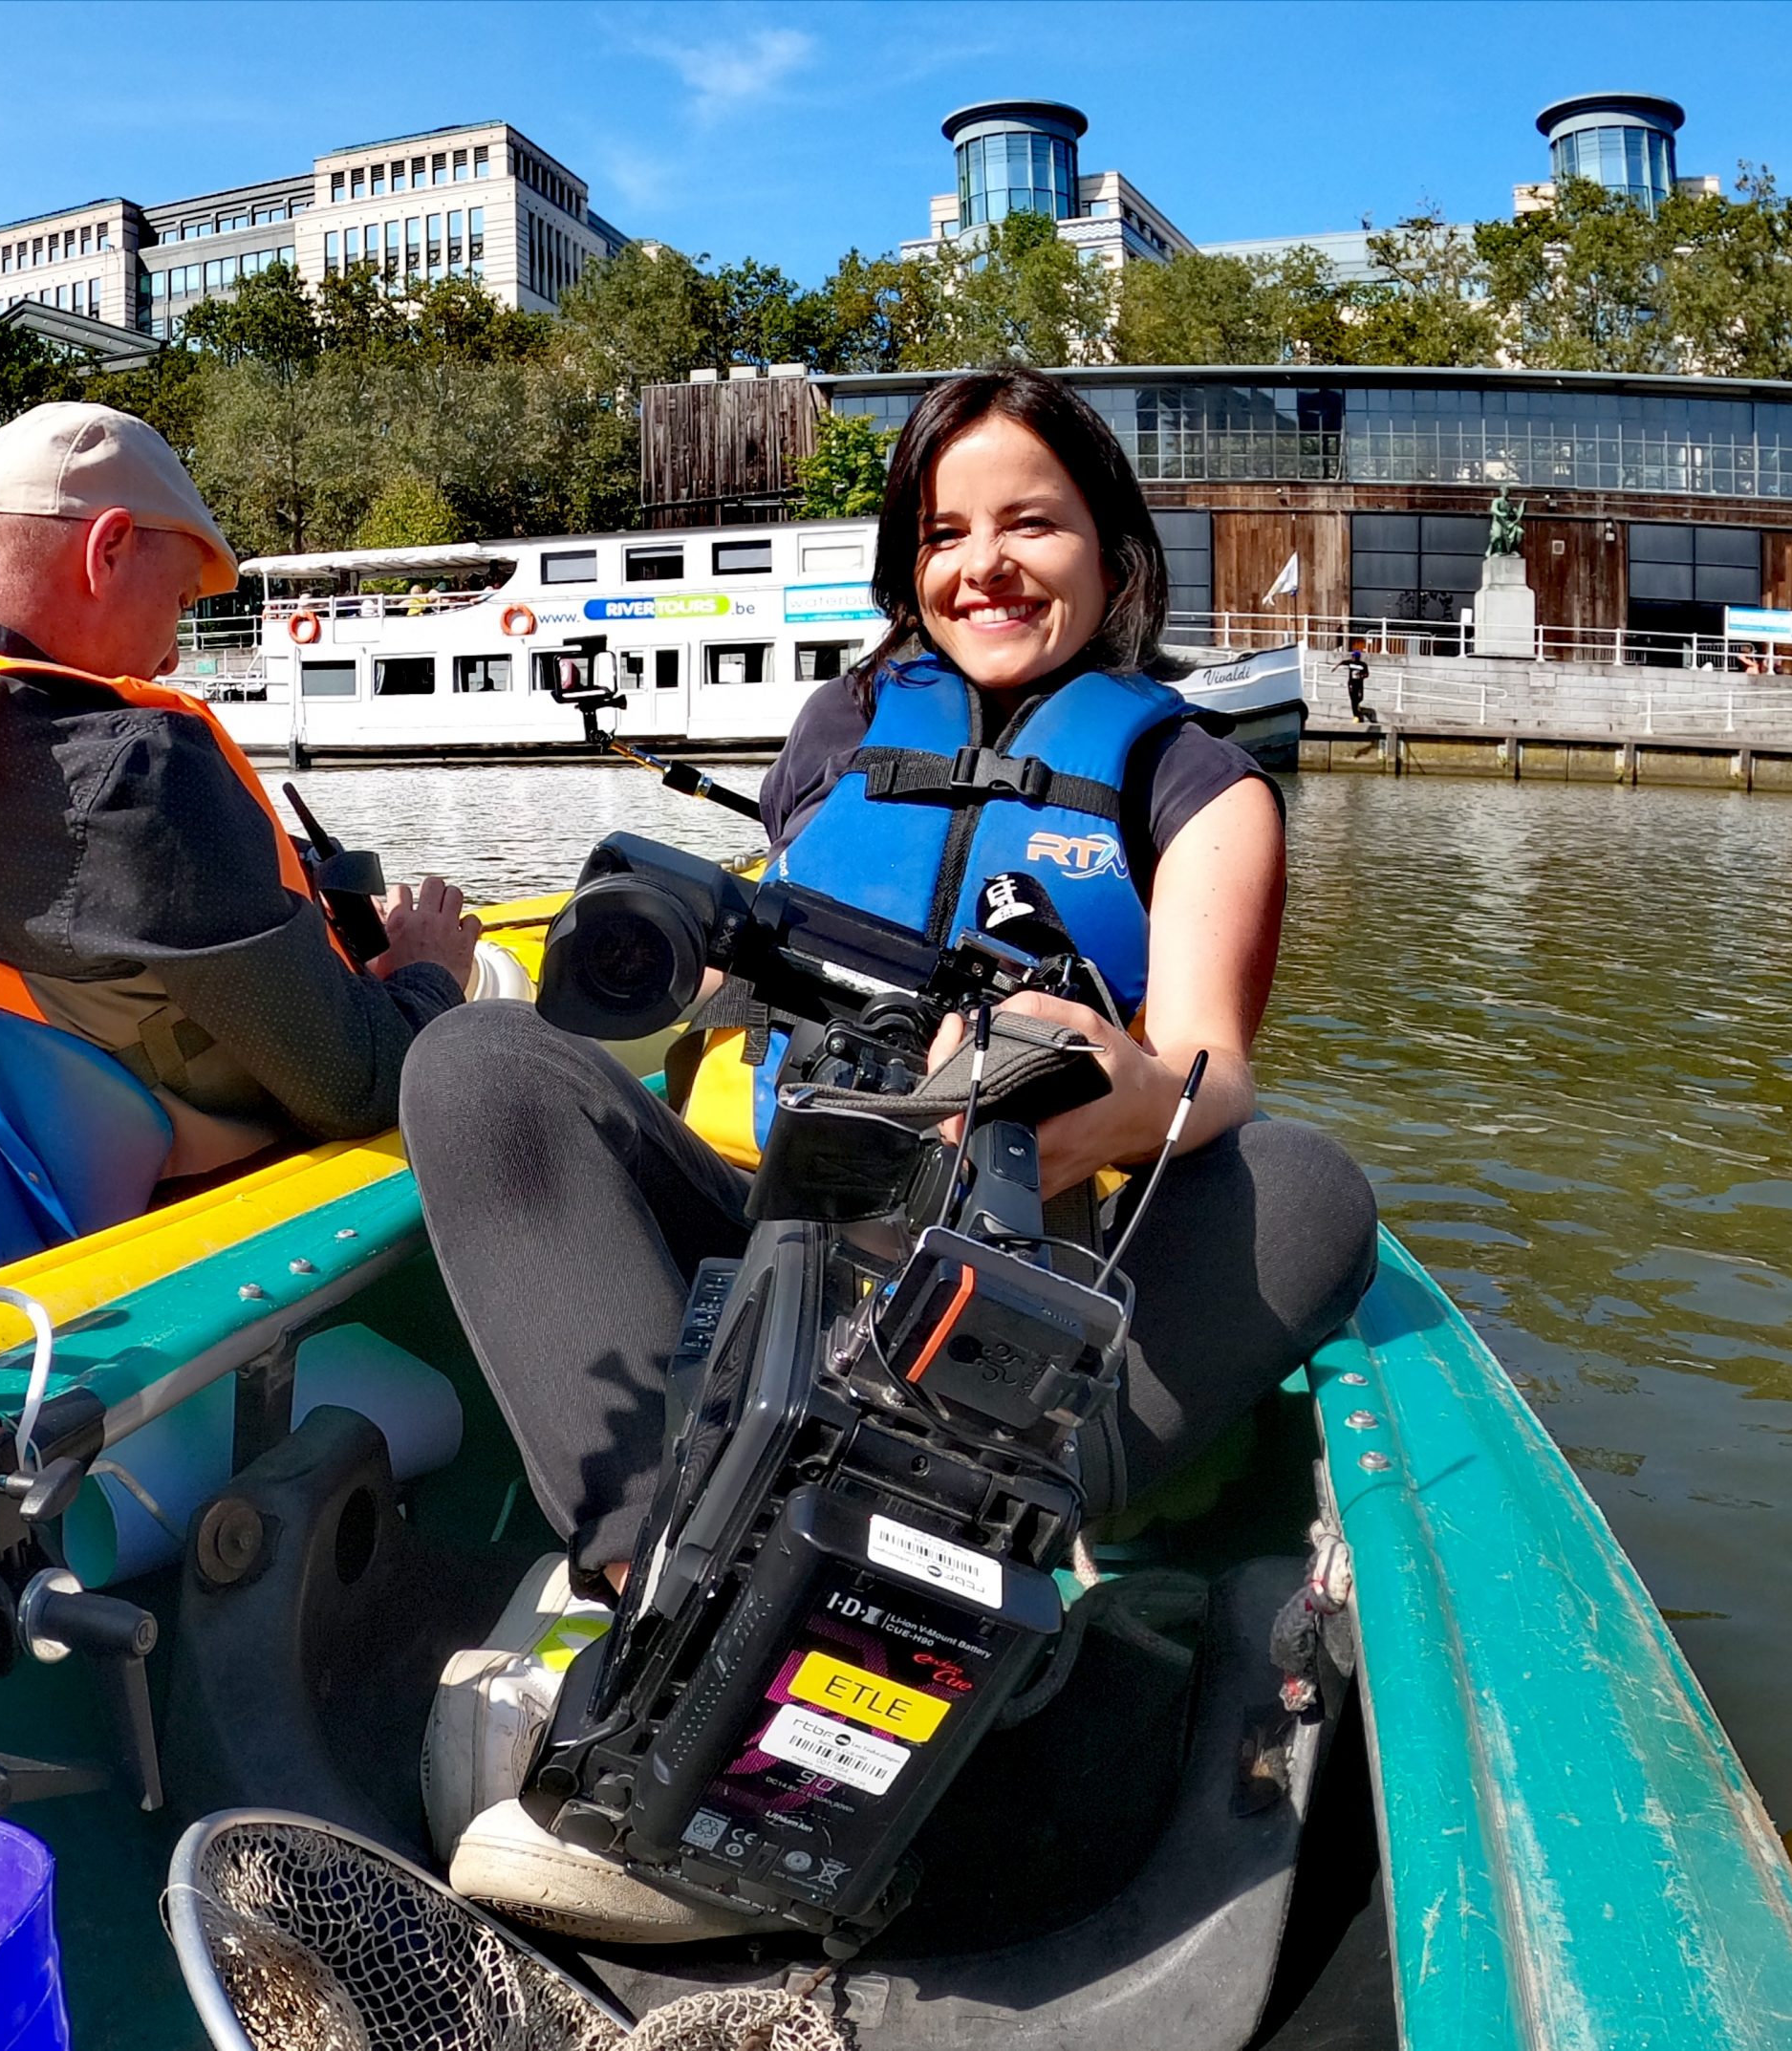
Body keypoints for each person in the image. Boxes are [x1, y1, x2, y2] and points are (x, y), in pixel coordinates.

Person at [399, 367, 1378, 1933]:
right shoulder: (842, 727)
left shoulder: (1199, 780)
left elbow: (1212, 1068)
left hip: (1008, 1268)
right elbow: (733, 967)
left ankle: (909, 1612)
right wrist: (657, 957)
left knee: (1313, 1188)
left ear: (1115, 553)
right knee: (476, 1064)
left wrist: (1087, 1077)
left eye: (1030, 523)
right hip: (786, 1226)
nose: (982, 564)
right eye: (945, 532)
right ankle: (664, 1578)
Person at [0, 401, 479, 1181]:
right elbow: (365, 1089)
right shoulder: (136, 772)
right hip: (198, 1205)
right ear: (109, 548)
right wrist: (428, 970)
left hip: (2, 1181)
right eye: (176, 602)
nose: (169, 661)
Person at [1340, 638, 1373, 723]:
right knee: (1353, 699)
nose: (1353, 657)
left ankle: (1357, 709)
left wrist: (1361, 675)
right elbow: (1342, 662)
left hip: (1359, 683)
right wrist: (1335, 667)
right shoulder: (1350, 663)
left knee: (1360, 698)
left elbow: (1367, 674)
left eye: (1354, 656)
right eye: (1352, 656)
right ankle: (1356, 716)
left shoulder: (1363, 665)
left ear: (1358, 657)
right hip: (1351, 684)